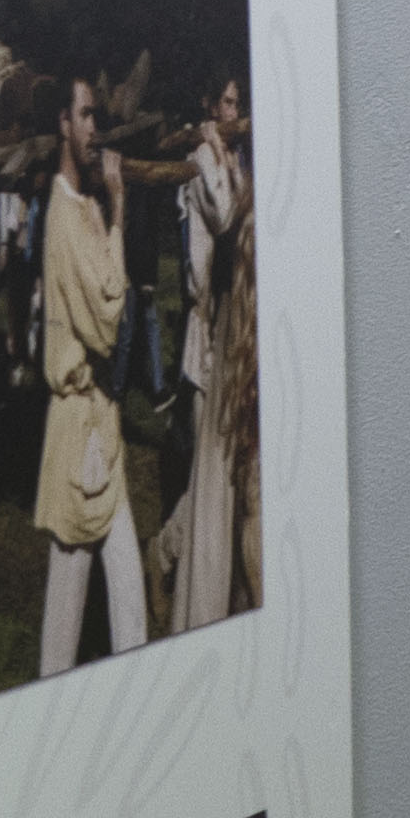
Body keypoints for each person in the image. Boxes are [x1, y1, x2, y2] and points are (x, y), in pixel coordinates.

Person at [32, 83, 147, 674]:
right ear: (63, 124)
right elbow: (107, 321)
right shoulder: (62, 217)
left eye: (96, 115)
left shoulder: (85, 208)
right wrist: (121, 211)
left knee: (130, 596)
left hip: (103, 423)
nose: (93, 127)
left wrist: (108, 212)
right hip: (78, 433)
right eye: (84, 115)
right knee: (63, 626)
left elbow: (110, 287)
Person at [170, 83, 252, 631]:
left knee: (224, 474)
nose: (232, 112)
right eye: (225, 103)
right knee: (209, 473)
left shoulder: (231, 158)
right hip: (204, 338)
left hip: (232, 334)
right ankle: (176, 562)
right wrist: (218, 152)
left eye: (237, 103)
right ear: (208, 107)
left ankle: (189, 562)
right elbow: (225, 218)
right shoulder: (202, 157)